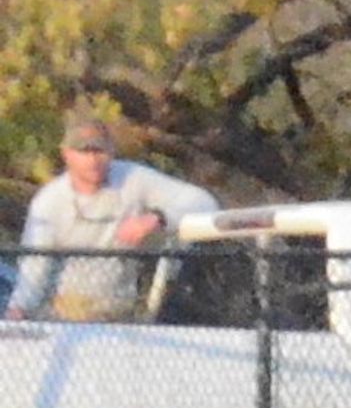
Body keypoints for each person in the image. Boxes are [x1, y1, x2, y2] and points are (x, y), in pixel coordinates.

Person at [11, 107, 216, 322]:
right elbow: (34, 268)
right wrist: (18, 310)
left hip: (120, 317)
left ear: (111, 151)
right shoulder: (49, 201)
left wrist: (157, 218)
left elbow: (204, 203)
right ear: (66, 154)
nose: (93, 159)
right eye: (84, 151)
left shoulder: (133, 178)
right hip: (60, 317)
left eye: (99, 151)